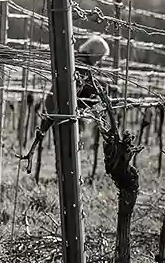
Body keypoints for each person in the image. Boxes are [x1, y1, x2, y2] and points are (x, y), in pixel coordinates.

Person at [19, 34, 113, 171]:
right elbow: (82, 86)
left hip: (59, 105)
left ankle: (64, 172)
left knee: (65, 143)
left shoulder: (80, 60)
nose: (100, 61)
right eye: (100, 57)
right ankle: (65, 174)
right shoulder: (80, 63)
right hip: (61, 106)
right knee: (66, 144)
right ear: (93, 52)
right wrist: (101, 91)